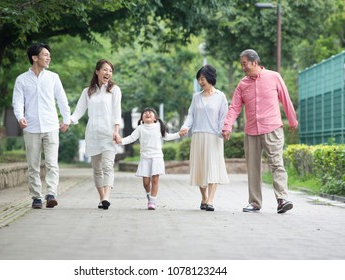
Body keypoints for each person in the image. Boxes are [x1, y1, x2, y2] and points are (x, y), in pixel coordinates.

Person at [222, 49, 298, 214]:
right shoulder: (242, 84)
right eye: (242, 64)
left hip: (272, 128)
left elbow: (285, 98)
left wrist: (292, 120)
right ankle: (254, 203)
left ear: (254, 62)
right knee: (253, 168)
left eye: (245, 64)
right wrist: (227, 126)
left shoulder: (274, 77)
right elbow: (234, 107)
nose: (243, 67)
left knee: (277, 164)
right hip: (251, 132)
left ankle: (282, 199)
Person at [12, 42, 71, 209]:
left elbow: (62, 99)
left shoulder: (53, 77)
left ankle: (51, 194)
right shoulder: (21, 80)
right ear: (34, 58)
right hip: (31, 127)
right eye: (45, 55)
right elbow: (17, 101)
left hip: (51, 126)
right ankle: (36, 197)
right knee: (33, 165)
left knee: (52, 164)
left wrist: (66, 120)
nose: (48, 57)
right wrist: (20, 117)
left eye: (49, 55)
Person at [70, 59, 122, 210]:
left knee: (108, 166)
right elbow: (78, 112)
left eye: (110, 71)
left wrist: (116, 131)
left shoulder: (114, 90)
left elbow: (117, 112)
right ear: (97, 71)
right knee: (97, 169)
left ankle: (107, 197)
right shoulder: (87, 92)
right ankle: (101, 197)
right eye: (105, 70)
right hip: (92, 133)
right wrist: (67, 121)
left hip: (109, 133)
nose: (108, 73)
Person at [180, 64, 230, 212]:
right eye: (199, 79)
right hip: (198, 136)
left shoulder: (220, 97)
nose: (200, 82)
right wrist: (185, 127)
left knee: (213, 168)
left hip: (214, 137)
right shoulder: (196, 97)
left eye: (202, 78)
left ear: (210, 78)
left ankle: (210, 200)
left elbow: (223, 117)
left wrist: (224, 131)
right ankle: (203, 198)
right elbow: (191, 115)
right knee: (201, 169)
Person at [116, 107, 183, 210]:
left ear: (155, 118)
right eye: (145, 113)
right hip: (145, 158)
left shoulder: (158, 126)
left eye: (150, 112)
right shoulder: (140, 128)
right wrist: (121, 141)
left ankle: (152, 202)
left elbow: (167, 136)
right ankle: (148, 194)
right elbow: (131, 138)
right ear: (142, 118)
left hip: (157, 157)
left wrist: (179, 134)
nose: (147, 113)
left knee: (155, 180)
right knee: (146, 182)